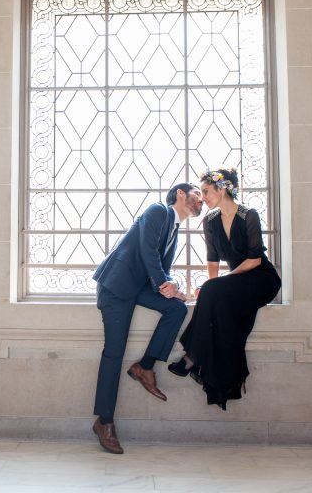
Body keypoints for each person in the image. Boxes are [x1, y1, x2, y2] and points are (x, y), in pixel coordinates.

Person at [91, 183, 204, 454]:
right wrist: (165, 283)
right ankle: (104, 421)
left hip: (139, 288)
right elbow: (146, 251)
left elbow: (163, 268)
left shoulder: (175, 230)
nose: (202, 200)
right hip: (117, 287)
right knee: (114, 353)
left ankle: (145, 366)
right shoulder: (158, 210)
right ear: (180, 193)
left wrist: (171, 285)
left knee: (177, 309)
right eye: (198, 194)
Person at [167, 167, 281, 410]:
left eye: (206, 192)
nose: (202, 198)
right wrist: (213, 283)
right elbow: (212, 259)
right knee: (212, 293)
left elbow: (255, 260)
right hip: (236, 283)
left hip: (261, 278)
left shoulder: (248, 215)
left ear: (222, 188)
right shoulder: (210, 221)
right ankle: (197, 360)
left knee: (212, 290)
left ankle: (191, 356)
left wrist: (217, 284)